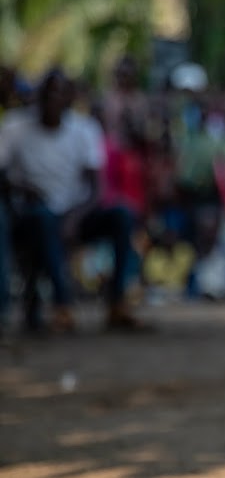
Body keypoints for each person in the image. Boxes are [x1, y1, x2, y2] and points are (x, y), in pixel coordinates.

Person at [0, 69, 144, 332]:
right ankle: (62, 305)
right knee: (43, 220)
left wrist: (75, 218)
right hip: (32, 216)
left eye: (59, 93)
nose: (53, 99)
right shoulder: (14, 127)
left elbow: (97, 187)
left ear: (69, 98)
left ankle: (117, 301)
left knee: (122, 215)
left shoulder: (84, 128)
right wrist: (21, 186)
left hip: (75, 212)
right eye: (47, 92)